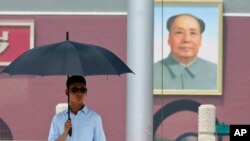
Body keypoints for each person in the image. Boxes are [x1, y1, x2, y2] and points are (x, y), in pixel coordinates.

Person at [154, 13, 217, 90]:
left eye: (193, 33)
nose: (186, 40)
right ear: (169, 39)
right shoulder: (149, 73)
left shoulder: (217, 73)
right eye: (179, 32)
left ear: (200, 40)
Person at [48, 75, 106, 141]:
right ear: (67, 92)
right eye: (75, 90)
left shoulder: (95, 118)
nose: (79, 93)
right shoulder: (58, 118)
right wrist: (65, 133)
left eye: (82, 90)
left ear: (86, 92)